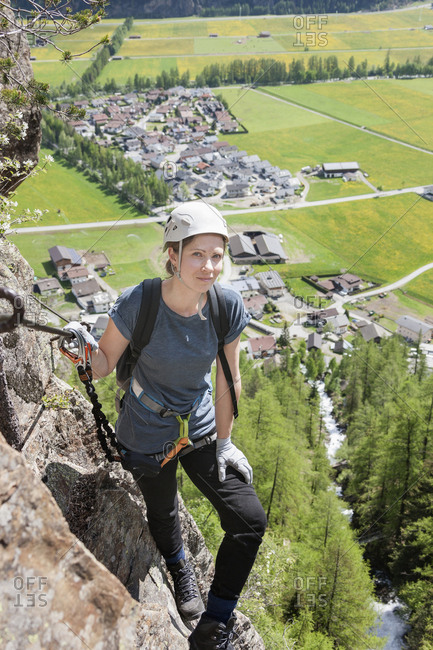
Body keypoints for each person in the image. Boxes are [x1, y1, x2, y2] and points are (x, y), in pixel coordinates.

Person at [66, 201, 267, 649]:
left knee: (249, 521)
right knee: (162, 511)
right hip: (144, 429)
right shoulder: (142, 301)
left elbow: (228, 378)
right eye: (197, 254)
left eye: (217, 256)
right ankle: (179, 567)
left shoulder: (225, 307)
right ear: (173, 255)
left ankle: (215, 622)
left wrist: (226, 443)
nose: (209, 266)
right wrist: (82, 349)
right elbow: (102, 365)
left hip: (197, 427)